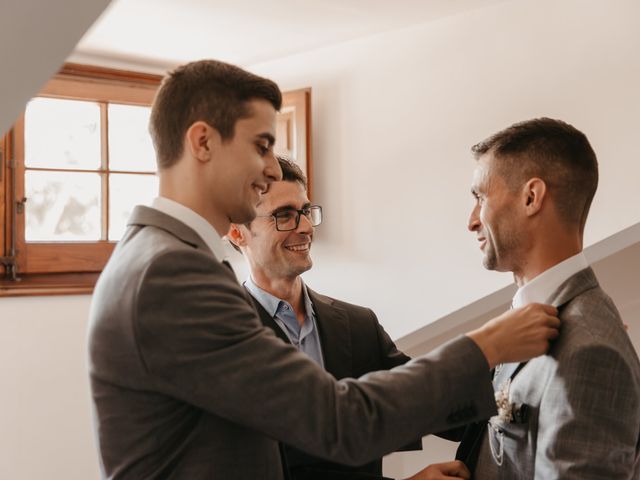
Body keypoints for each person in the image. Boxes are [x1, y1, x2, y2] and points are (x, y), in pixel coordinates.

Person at [87, 59, 560, 480]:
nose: (272, 169)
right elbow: (337, 422)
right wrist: (488, 344)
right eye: (262, 145)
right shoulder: (172, 274)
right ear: (204, 141)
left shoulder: (166, 259)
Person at [455, 117, 640, 479]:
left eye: (480, 197)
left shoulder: (591, 351)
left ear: (531, 197)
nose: (472, 220)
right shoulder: (534, 320)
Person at [228, 156, 429, 480]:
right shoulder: (221, 335)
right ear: (238, 233)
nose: (306, 227)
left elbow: (423, 399)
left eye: (306, 211)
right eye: (284, 216)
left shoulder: (358, 323)